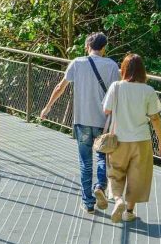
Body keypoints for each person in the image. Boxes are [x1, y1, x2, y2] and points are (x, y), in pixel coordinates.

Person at [39, 32, 119, 214]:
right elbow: (117, 93)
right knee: (102, 156)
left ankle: (88, 203)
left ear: (87, 46)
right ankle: (100, 185)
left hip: (82, 120)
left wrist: (47, 107)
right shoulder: (112, 65)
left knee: (85, 161)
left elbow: (60, 87)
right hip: (103, 121)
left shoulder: (77, 63)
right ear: (104, 47)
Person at [101, 53, 161, 223]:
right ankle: (129, 212)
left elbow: (106, 110)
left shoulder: (116, 86)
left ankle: (118, 200)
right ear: (143, 71)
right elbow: (155, 118)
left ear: (123, 69)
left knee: (115, 173)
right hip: (141, 140)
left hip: (119, 139)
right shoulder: (148, 90)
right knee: (138, 176)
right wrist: (160, 139)